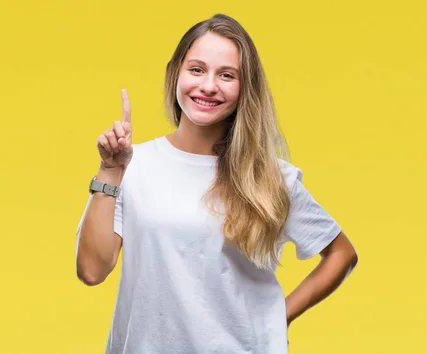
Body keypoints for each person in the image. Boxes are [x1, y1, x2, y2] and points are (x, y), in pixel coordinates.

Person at [75, 13, 358, 354]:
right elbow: (91, 271)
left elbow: (341, 253)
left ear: (245, 88)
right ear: (174, 73)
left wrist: (278, 318)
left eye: (226, 75)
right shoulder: (132, 165)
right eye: (196, 69)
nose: (208, 86)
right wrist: (109, 171)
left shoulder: (270, 177)